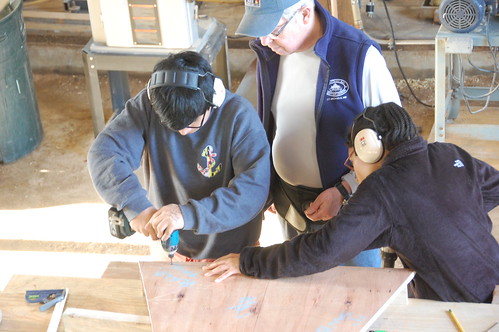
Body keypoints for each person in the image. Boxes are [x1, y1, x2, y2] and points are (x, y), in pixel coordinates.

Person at [204, 102, 499, 303]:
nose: (351, 164)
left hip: (456, 309)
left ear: (368, 146)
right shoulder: (449, 154)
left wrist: (248, 261)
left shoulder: (382, 189)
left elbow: (321, 251)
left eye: (352, 156)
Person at [235, 0, 401, 267]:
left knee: (355, 296)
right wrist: (269, 186)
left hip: (350, 211)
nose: (265, 40)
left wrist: (346, 189)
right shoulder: (271, 55)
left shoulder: (358, 55)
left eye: (274, 30)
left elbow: (396, 142)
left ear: (304, 14)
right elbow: (273, 124)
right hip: (290, 206)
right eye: (260, 30)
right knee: (301, 289)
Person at [87, 51, 271, 261]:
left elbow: (252, 191)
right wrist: (134, 204)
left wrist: (186, 215)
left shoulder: (239, 116)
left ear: (212, 100)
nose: (183, 132)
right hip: (169, 247)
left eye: (193, 123)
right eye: (173, 127)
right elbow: (104, 153)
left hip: (232, 252)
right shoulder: (149, 105)